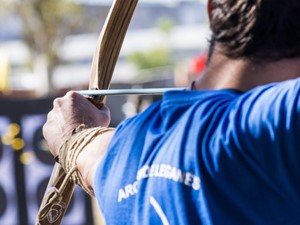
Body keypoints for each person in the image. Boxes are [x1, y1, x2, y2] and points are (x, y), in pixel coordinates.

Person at [43, 0, 300, 224]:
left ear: (211, 11)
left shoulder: (128, 153)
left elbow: (89, 155)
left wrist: (75, 137)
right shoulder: (279, 121)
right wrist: (78, 141)